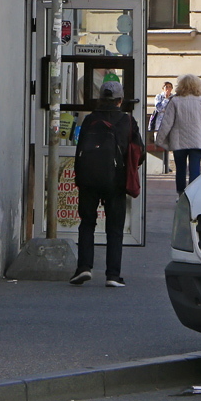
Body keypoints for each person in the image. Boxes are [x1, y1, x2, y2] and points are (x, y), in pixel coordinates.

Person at [70, 81, 144, 288]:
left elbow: (79, 151)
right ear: (120, 100)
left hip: (88, 180)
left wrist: (80, 178)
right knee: (114, 228)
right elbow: (140, 152)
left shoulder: (90, 120)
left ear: (100, 98)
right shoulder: (127, 121)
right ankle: (113, 275)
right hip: (116, 181)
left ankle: (83, 268)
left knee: (87, 223)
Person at [156, 73, 201, 195]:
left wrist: (160, 140)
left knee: (180, 169)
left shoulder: (175, 101)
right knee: (195, 168)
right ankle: (192, 194)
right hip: (197, 140)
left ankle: (180, 194)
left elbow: (167, 123)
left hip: (178, 141)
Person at [149, 81, 173, 173]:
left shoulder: (174, 98)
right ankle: (161, 165)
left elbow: (172, 109)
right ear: (163, 88)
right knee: (159, 144)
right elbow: (159, 108)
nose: (168, 88)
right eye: (166, 87)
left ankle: (167, 166)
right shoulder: (159, 97)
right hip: (159, 125)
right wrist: (166, 99)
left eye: (169, 87)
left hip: (170, 124)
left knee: (168, 145)